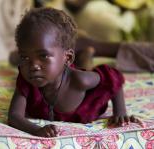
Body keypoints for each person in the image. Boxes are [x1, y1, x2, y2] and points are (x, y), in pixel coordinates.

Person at [7, 7, 143, 138]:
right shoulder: (27, 80)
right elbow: (14, 116)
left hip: (80, 88)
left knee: (84, 69)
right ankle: (84, 54)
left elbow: (113, 78)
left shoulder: (80, 80)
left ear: (67, 57)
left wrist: (120, 112)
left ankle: (86, 55)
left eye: (43, 56)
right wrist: (37, 130)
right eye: (25, 57)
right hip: (64, 69)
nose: (33, 66)